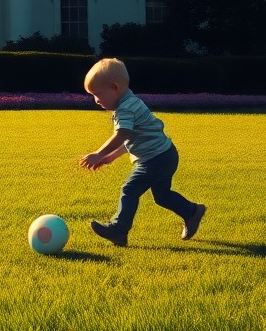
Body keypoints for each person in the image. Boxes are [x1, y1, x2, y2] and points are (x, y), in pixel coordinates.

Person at [78, 57, 206, 247]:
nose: (96, 100)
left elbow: (122, 135)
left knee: (129, 189)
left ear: (114, 88)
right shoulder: (130, 102)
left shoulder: (125, 109)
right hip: (165, 155)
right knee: (162, 196)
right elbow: (131, 139)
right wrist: (110, 157)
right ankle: (192, 212)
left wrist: (98, 153)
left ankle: (118, 230)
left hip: (155, 159)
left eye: (97, 94)